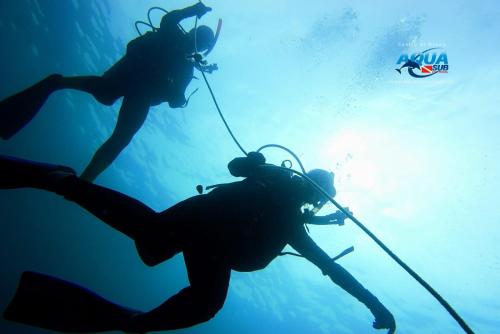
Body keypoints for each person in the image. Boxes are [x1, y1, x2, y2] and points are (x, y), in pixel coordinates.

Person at [0, 152, 396, 333]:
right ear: (313, 193)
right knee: (159, 248)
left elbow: (332, 268)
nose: (311, 199)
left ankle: (64, 183)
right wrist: (375, 303)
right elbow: (333, 269)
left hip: (207, 235)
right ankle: (65, 182)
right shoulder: (281, 199)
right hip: (210, 233)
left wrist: (375, 302)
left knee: (159, 247)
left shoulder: (285, 205)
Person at [0, 2, 215, 182]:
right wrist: (192, 10)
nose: (196, 42)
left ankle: (83, 183)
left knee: (119, 131)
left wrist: (178, 97)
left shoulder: (186, 67)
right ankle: (82, 183)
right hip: (132, 78)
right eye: (199, 36)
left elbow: (176, 98)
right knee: (108, 102)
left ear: (201, 49)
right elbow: (169, 20)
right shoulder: (172, 36)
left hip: (140, 90)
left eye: (202, 42)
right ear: (192, 32)